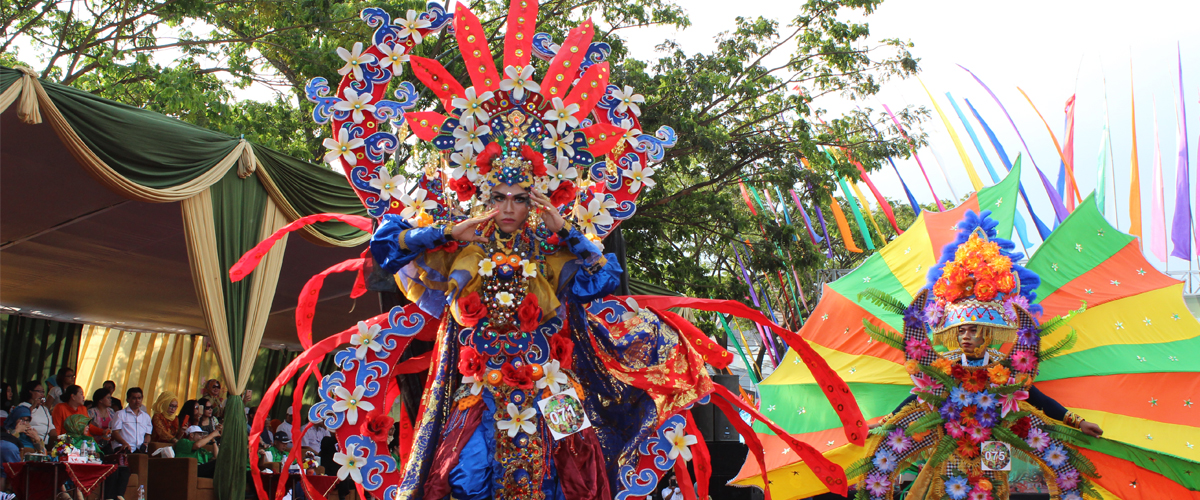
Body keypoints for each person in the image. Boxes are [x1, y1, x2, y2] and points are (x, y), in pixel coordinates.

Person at [856, 211, 1103, 499]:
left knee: (993, 493)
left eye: (973, 330)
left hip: (994, 449)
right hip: (951, 450)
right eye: (961, 331)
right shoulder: (944, 369)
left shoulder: (1003, 373)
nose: (965, 336)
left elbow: (1036, 400)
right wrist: (886, 425)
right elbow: (917, 399)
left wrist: (1075, 421)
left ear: (988, 333)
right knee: (949, 492)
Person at [112, 388, 152, 453]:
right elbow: (115, 432)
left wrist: (145, 443)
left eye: (139, 398)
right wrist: (124, 443)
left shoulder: (146, 416)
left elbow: (148, 435)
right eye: (134, 398)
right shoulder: (120, 414)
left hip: (140, 449)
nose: (137, 401)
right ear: (128, 400)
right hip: (123, 447)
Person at [17, 380, 54, 445]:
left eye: (43, 392)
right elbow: (24, 418)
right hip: (29, 440)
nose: (42, 394)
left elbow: (51, 427)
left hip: (44, 442)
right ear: (30, 392)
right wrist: (34, 405)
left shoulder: (44, 409)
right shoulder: (23, 406)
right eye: (39, 391)